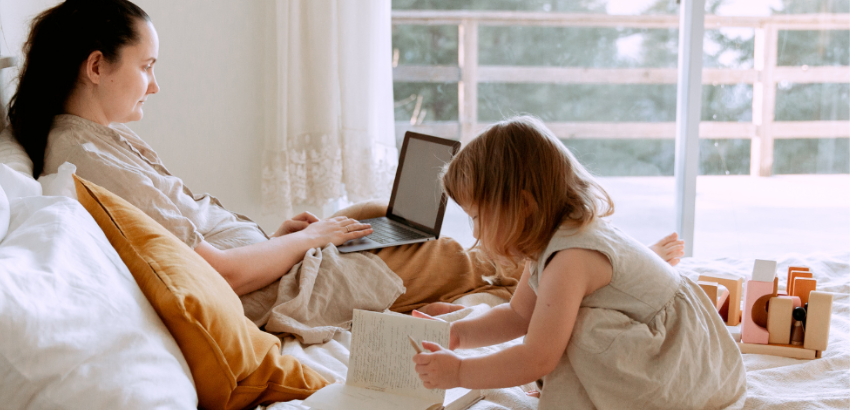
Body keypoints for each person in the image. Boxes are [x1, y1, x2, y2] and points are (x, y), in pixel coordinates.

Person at [7, 0, 683, 320]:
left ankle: (549, 267)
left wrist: (288, 236)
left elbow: (193, 239)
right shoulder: (84, 162)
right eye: (146, 67)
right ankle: (569, 272)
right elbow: (211, 272)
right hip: (274, 293)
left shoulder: (92, 146)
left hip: (273, 264)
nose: (154, 84)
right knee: (440, 256)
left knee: (370, 213)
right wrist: (305, 242)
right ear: (98, 65)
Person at [411, 117, 746, 409]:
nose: (475, 231)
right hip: (690, 362)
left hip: (686, 374)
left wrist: (459, 372)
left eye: (476, 217)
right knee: (552, 321)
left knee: (569, 329)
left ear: (523, 205)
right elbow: (517, 315)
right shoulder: (550, 239)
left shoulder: (570, 258)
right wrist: (456, 335)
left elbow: (538, 357)